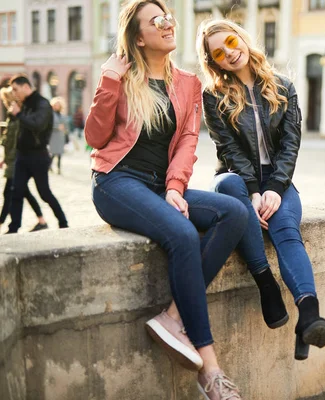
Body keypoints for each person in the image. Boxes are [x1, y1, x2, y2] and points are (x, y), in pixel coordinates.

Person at [85, 2, 248, 399]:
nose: (168, 23)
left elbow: (190, 140)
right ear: (139, 37)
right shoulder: (120, 76)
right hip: (115, 182)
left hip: (160, 186)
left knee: (234, 213)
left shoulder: (188, 82)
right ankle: (210, 372)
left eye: (169, 16)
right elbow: (94, 136)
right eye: (157, 21)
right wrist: (109, 81)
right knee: (182, 233)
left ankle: (173, 317)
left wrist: (176, 186)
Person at [198, 19, 325, 361]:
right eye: (218, 52)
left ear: (241, 38)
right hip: (234, 178)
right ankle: (264, 283)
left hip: (279, 181)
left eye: (231, 41)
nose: (229, 52)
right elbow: (228, 148)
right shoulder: (213, 96)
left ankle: (309, 315)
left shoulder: (284, 87)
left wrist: (273, 188)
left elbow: (291, 145)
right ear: (213, 62)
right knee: (229, 185)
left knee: (286, 229)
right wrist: (254, 191)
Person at [6, 74, 68, 234]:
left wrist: (19, 114)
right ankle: (13, 228)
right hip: (22, 156)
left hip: (38, 156)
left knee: (44, 193)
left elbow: (37, 125)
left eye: (15, 89)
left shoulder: (42, 104)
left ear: (26, 87)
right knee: (16, 191)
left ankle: (63, 222)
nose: (13, 93)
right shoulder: (24, 104)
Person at [0, 86, 48, 232]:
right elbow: (9, 141)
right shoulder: (12, 115)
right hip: (12, 160)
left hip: (17, 161)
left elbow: (14, 141)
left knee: (10, 193)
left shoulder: (18, 116)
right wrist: (4, 159)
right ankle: (41, 220)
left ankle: (7, 224)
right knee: (22, 192)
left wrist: (10, 159)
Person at [49, 97, 67, 174]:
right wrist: (57, 127)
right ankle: (49, 166)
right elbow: (49, 125)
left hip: (60, 137)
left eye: (59, 105)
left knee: (60, 154)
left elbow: (65, 126)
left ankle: (59, 168)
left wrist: (66, 134)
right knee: (53, 153)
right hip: (53, 136)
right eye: (56, 104)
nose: (57, 106)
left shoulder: (62, 115)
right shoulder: (50, 114)